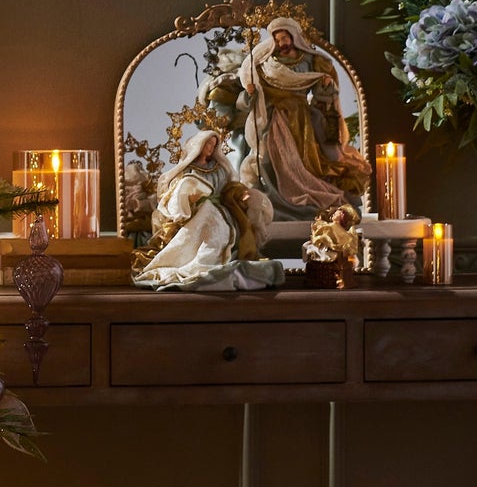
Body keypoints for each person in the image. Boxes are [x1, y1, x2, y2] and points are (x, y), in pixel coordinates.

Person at [236, 18, 370, 219]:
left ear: (294, 37)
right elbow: (253, 92)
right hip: (277, 117)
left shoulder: (310, 61)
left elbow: (322, 92)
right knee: (271, 159)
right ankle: (280, 199)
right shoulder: (267, 64)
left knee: (309, 160)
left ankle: (305, 193)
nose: (281, 43)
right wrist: (251, 92)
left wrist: (325, 83)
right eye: (277, 40)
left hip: (302, 118)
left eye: (284, 38)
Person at [133, 131, 284, 291]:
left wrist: (240, 194)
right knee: (200, 230)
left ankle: (213, 261)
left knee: (221, 230)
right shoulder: (188, 170)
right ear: (199, 145)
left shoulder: (220, 168)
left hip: (221, 210)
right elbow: (177, 193)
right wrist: (189, 199)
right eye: (208, 144)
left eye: (214, 145)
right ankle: (198, 261)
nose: (211, 148)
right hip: (196, 212)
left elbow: (229, 188)